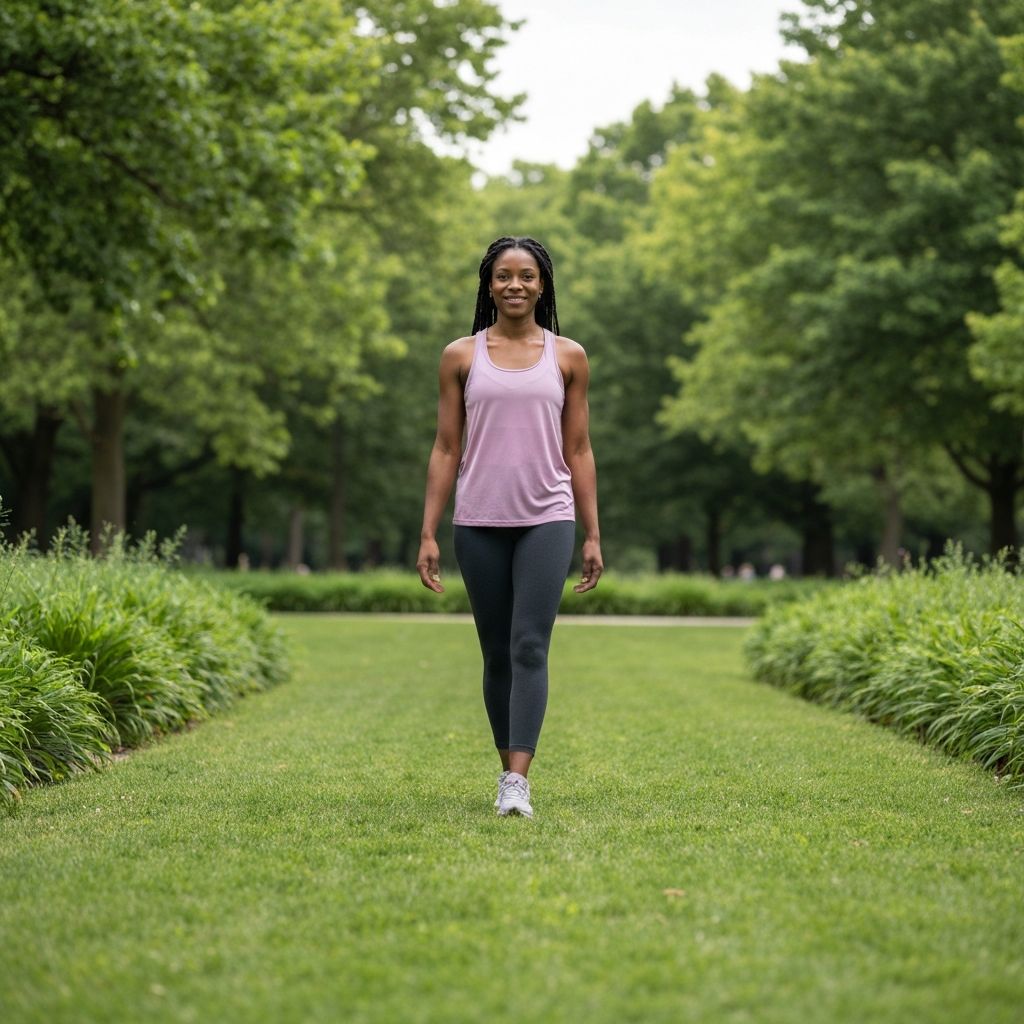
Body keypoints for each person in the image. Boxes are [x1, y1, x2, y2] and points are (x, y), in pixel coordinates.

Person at [416, 236, 604, 819]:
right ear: (488, 284)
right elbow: (447, 447)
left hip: (548, 516)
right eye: (503, 276)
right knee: (496, 651)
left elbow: (578, 448)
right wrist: (428, 532)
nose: (515, 285)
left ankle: (516, 782)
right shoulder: (460, 356)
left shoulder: (568, 356)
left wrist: (593, 532)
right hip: (479, 519)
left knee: (529, 643)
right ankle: (507, 770)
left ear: (542, 285)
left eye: (526, 276)